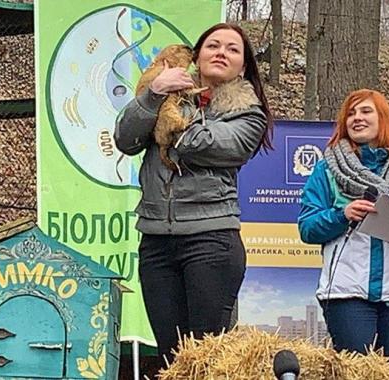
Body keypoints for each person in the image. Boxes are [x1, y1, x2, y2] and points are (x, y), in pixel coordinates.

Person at [114, 23, 273, 365]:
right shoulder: (163, 96)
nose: (220, 52)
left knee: (206, 359)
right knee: (172, 360)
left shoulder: (248, 112)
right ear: (196, 57)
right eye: (212, 45)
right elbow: (125, 139)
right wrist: (154, 93)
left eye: (232, 49)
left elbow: (207, 144)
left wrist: (167, 115)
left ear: (242, 66)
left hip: (211, 241)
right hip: (156, 241)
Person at [297, 89, 389, 364]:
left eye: (365, 111)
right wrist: (342, 214)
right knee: (357, 372)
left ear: (382, 118)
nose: (357, 118)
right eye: (351, 113)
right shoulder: (327, 169)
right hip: (346, 291)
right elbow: (307, 227)